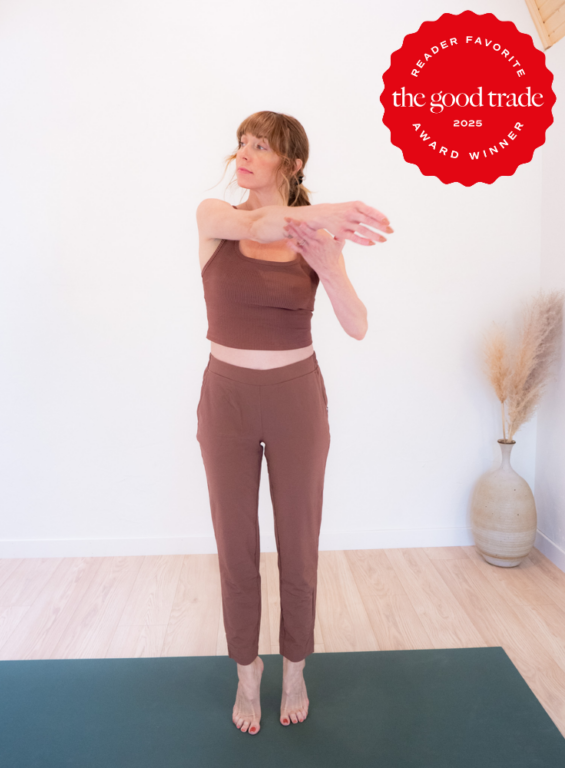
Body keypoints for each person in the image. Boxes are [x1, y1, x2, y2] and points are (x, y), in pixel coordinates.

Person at [195, 111, 393, 736]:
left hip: (296, 398)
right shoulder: (214, 216)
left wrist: (330, 264)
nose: (245, 153)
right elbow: (258, 223)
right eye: (242, 142)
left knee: (299, 544)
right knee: (235, 545)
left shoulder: (316, 237)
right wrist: (324, 211)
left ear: (293, 162)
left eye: (262, 145)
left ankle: (297, 667)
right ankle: (247, 671)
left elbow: (357, 325)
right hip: (225, 398)